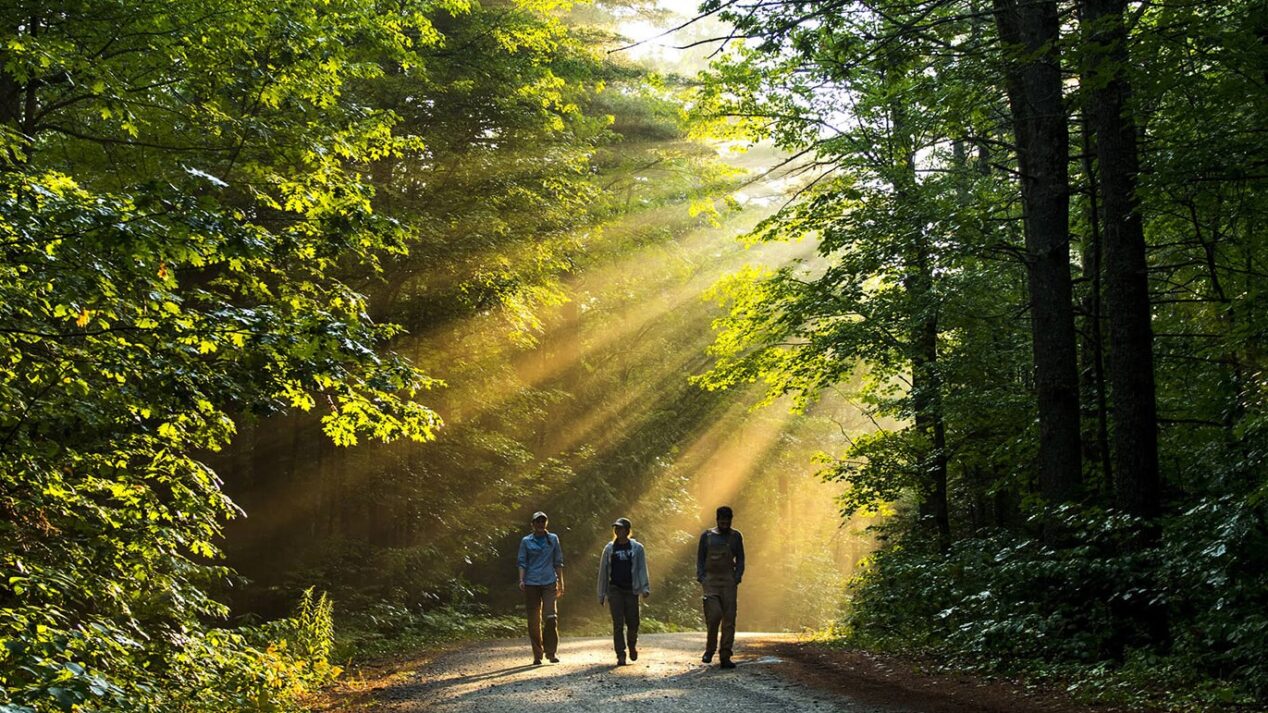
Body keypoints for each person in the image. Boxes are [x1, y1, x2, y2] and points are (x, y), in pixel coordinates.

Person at [596, 517, 650, 666]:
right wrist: (601, 594)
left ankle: (632, 644)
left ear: (627, 531)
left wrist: (645, 587)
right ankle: (620, 653)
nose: (618, 531)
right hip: (615, 590)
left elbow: (641, 569)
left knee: (633, 623)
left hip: (631, 590)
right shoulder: (609, 549)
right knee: (618, 623)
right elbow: (603, 572)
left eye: (620, 528)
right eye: (616, 528)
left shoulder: (637, 548)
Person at [696, 505, 744, 669]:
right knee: (714, 615)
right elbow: (700, 559)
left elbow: (741, 559)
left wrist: (737, 577)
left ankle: (725, 655)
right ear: (717, 520)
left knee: (729, 620)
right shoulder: (707, 536)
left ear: (731, 520)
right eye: (722, 521)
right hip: (711, 582)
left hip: (729, 582)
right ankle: (709, 650)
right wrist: (701, 577)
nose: (725, 524)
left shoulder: (736, 537)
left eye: (727, 521)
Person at [518, 511, 565, 665]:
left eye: (543, 521)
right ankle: (537, 654)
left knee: (551, 616)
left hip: (549, 581)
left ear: (546, 523)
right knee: (533, 619)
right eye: (537, 521)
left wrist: (561, 582)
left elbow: (558, 562)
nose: (540, 524)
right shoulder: (526, 541)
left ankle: (551, 652)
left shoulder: (553, 539)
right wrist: (521, 579)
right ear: (532, 524)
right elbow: (522, 562)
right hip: (531, 582)